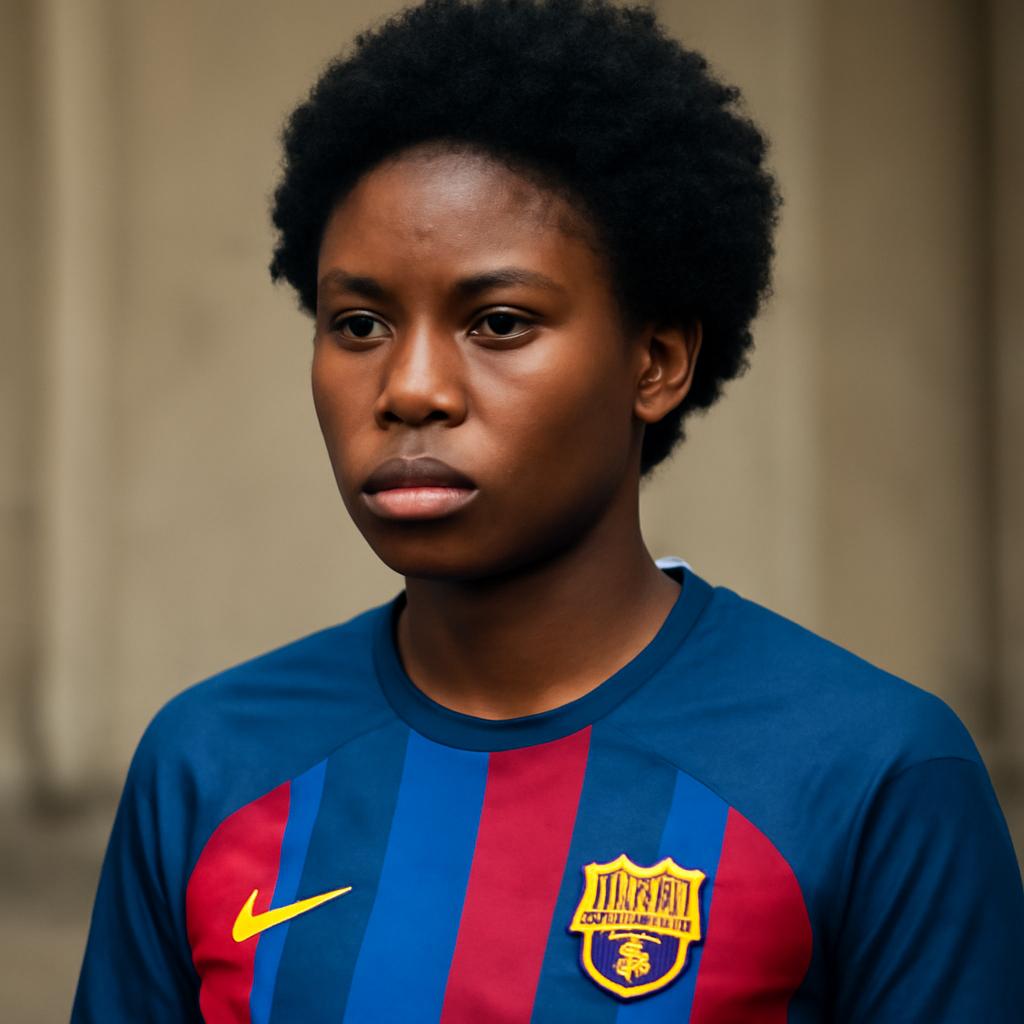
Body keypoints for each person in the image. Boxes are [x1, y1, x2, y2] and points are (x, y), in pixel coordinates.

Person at [72, 0, 1023, 1020]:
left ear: (655, 362)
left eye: (498, 322)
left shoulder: (873, 773)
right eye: (359, 324)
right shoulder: (210, 763)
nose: (411, 388)